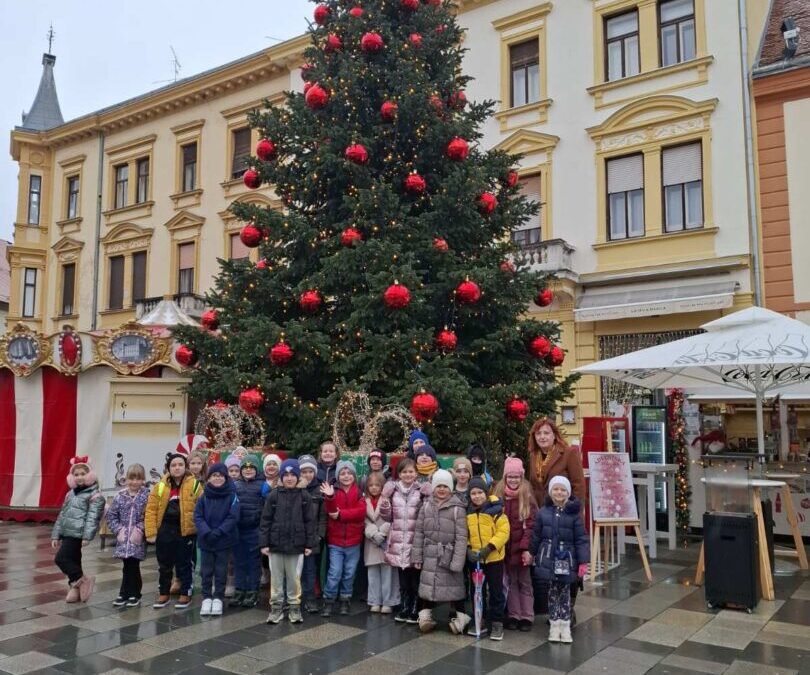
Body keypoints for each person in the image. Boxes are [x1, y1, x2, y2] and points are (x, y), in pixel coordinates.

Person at [526, 416, 587, 618]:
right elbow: (534, 486)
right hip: (543, 516)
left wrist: (574, 512)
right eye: (538, 433)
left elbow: (578, 485)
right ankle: (552, 604)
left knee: (569, 559)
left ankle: (569, 605)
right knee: (549, 558)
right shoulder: (533, 455)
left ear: (554, 435)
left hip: (566, 515)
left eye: (546, 433)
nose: (542, 437)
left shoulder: (568, 453)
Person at [530, 476, 589, 644]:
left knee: (564, 593)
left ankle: (565, 625)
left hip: (567, 559)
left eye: (563, 490)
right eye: (556, 489)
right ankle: (554, 626)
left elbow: (581, 539)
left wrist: (583, 561)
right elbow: (536, 535)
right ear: (551, 492)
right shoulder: (543, 512)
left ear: (568, 493)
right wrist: (531, 553)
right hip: (549, 557)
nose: (559, 492)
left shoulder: (574, 514)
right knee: (552, 592)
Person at [412, 469, 469, 635]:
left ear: (451, 488)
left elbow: (461, 537)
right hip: (430, 553)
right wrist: (417, 556)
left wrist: (458, 561)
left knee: (454, 587)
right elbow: (419, 532)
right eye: (439, 486)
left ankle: (461, 616)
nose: (442, 489)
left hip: (449, 554)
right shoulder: (426, 506)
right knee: (428, 586)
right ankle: (425, 616)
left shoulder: (458, 508)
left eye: (445, 486)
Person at [260, 459, 316, 624]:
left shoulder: (304, 496)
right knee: (276, 579)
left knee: (294, 578)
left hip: (296, 546)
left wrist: (309, 544)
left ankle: (294, 607)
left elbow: (309, 522)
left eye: (293, 475)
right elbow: (265, 521)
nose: (290, 478)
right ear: (281, 477)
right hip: (275, 545)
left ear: (298, 477)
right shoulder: (273, 495)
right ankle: (276, 608)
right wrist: (264, 543)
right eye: (286, 475)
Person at [145, 452, 202, 609]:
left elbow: (201, 508)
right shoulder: (160, 486)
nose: (177, 468)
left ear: (185, 467)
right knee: (164, 564)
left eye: (180, 465)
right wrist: (151, 532)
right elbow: (151, 510)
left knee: (185, 563)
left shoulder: (195, 485)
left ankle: (186, 593)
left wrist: (198, 528)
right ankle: (164, 592)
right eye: (173, 465)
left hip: (185, 531)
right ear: (168, 468)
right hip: (165, 530)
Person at [52, 456, 106, 603]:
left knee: (61, 559)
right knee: (74, 562)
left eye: (83, 473)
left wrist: (87, 537)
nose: (79, 477)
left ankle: (82, 580)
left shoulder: (95, 496)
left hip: (78, 534)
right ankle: (75, 588)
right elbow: (62, 514)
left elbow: (92, 517)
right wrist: (56, 535)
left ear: (89, 475)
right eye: (76, 474)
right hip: (67, 533)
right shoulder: (70, 494)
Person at [492, 457, 538, 631]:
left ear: (521, 477)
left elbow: (531, 526)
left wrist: (527, 549)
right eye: (510, 477)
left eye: (516, 477)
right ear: (505, 477)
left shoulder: (527, 497)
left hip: (522, 549)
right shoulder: (499, 497)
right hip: (506, 549)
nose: (513, 480)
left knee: (524, 582)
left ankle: (526, 615)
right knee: (510, 582)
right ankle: (513, 614)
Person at [194, 463, 240, 617]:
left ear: (225, 478)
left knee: (221, 570)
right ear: (209, 478)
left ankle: (218, 597)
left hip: (223, 540)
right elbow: (198, 516)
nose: (218, 478)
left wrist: (219, 531)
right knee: (206, 571)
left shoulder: (232, 495)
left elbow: (233, 517)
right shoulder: (203, 495)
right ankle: (207, 597)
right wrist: (206, 531)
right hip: (206, 539)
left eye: (221, 475)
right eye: (214, 475)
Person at [466, 477, 509, 640]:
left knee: (496, 591)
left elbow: (503, 532)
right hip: (476, 559)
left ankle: (497, 621)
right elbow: (466, 534)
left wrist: (489, 547)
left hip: (493, 558)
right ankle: (480, 618)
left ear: (486, 493)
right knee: (477, 591)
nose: (477, 496)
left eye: (479, 493)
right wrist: (469, 548)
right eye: (473, 493)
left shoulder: (496, 510)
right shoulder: (468, 512)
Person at [320, 460, 365, 617]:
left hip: (353, 541)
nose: (346, 476)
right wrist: (330, 497)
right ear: (338, 476)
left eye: (349, 473)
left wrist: (342, 515)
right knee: (335, 572)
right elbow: (331, 512)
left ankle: (345, 599)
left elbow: (360, 512)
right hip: (336, 541)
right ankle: (329, 599)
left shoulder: (359, 492)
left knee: (349, 572)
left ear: (354, 475)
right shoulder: (334, 491)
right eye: (343, 473)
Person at [382, 458, 423, 624]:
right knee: (403, 579)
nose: (408, 474)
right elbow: (387, 517)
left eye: (411, 471)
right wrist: (385, 506)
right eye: (404, 472)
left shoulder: (421, 491)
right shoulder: (394, 491)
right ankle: (405, 606)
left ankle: (415, 608)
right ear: (399, 474)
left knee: (415, 578)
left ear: (416, 473)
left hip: (415, 540)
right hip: (399, 541)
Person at [106, 463, 150, 607]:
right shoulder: (120, 496)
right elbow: (112, 515)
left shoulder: (146, 496)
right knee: (127, 566)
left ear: (143, 480)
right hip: (124, 538)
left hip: (136, 538)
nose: (134, 482)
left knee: (133, 565)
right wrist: (119, 530)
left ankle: (131, 593)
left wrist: (140, 530)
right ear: (126, 479)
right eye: (131, 479)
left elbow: (149, 516)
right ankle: (127, 593)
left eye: (138, 479)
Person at [364, 471, 399, 613]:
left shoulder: (389, 500)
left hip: (386, 540)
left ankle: (389, 601)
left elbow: (394, 517)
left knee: (388, 573)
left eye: (377, 485)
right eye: (371, 485)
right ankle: (374, 601)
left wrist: (383, 532)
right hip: (371, 540)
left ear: (382, 486)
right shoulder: (363, 500)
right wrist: (372, 532)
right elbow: (363, 518)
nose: (374, 488)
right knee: (372, 574)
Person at [231, 457, 264, 608]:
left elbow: (266, 507)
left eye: (251, 468)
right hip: (238, 530)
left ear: (256, 470)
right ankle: (239, 589)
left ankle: (252, 591)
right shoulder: (235, 485)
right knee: (239, 562)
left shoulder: (262, 486)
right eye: (245, 468)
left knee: (253, 563)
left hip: (254, 529)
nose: (248, 470)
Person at [298, 454, 326, 613]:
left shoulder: (319, 489)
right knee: (295, 570)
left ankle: (310, 598)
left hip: (312, 537)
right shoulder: (295, 487)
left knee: (310, 569)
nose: (307, 475)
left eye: (310, 471)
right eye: (304, 472)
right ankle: (296, 597)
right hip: (295, 536)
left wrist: (319, 535)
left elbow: (323, 516)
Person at [259, 453, 281, 587]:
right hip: (260, 519)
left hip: (276, 521)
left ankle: (274, 578)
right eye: (269, 464)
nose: (271, 467)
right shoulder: (259, 480)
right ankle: (264, 574)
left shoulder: (282, 481)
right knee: (262, 551)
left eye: (274, 464)